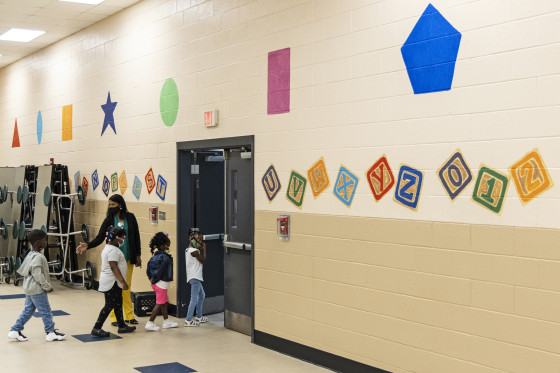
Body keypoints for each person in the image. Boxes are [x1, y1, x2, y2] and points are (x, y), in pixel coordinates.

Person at [76, 194, 141, 326]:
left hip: (128, 258)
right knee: (114, 289)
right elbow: (100, 238)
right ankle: (114, 318)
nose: (110, 207)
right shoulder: (108, 220)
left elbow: (136, 236)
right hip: (113, 260)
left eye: (113, 205)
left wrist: (138, 254)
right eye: (109, 205)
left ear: (120, 205)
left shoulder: (130, 217)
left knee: (126, 287)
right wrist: (88, 245)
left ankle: (129, 315)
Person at [8, 229, 66, 342]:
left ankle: (15, 330)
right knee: (46, 311)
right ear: (38, 242)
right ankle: (50, 332)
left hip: (30, 288)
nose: (46, 242)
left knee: (28, 310)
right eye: (45, 240)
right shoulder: (38, 257)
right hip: (37, 289)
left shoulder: (31, 254)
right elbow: (37, 274)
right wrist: (47, 286)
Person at [91, 226, 136, 337]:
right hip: (112, 282)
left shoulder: (108, 248)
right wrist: (123, 282)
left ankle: (122, 326)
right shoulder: (113, 250)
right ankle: (96, 328)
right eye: (122, 237)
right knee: (109, 305)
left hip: (113, 282)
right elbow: (113, 267)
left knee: (117, 303)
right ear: (116, 238)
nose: (123, 240)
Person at [145, 232, 178, 331]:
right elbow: (162, 270)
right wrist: (156, 278)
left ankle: (166, 321)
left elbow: (148, 270)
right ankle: (150, 322)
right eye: (168, 245)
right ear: (163, 246)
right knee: (159, 303)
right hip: (161, 283)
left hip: (155, 284)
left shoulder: (153, 257)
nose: (169, 247)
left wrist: (152, 279)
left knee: (164, 302)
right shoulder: (166, 258)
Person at [184, 228, 209, 327]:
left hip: (195, 277)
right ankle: (188, 320)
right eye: (198, 240)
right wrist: (204, 249)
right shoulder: (194, 251)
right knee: (194, 298)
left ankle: (198, 316)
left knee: (202, 295)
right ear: (192, 239)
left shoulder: (188, 249)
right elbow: (203, 261)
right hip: (194, 277)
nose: (200, 242)